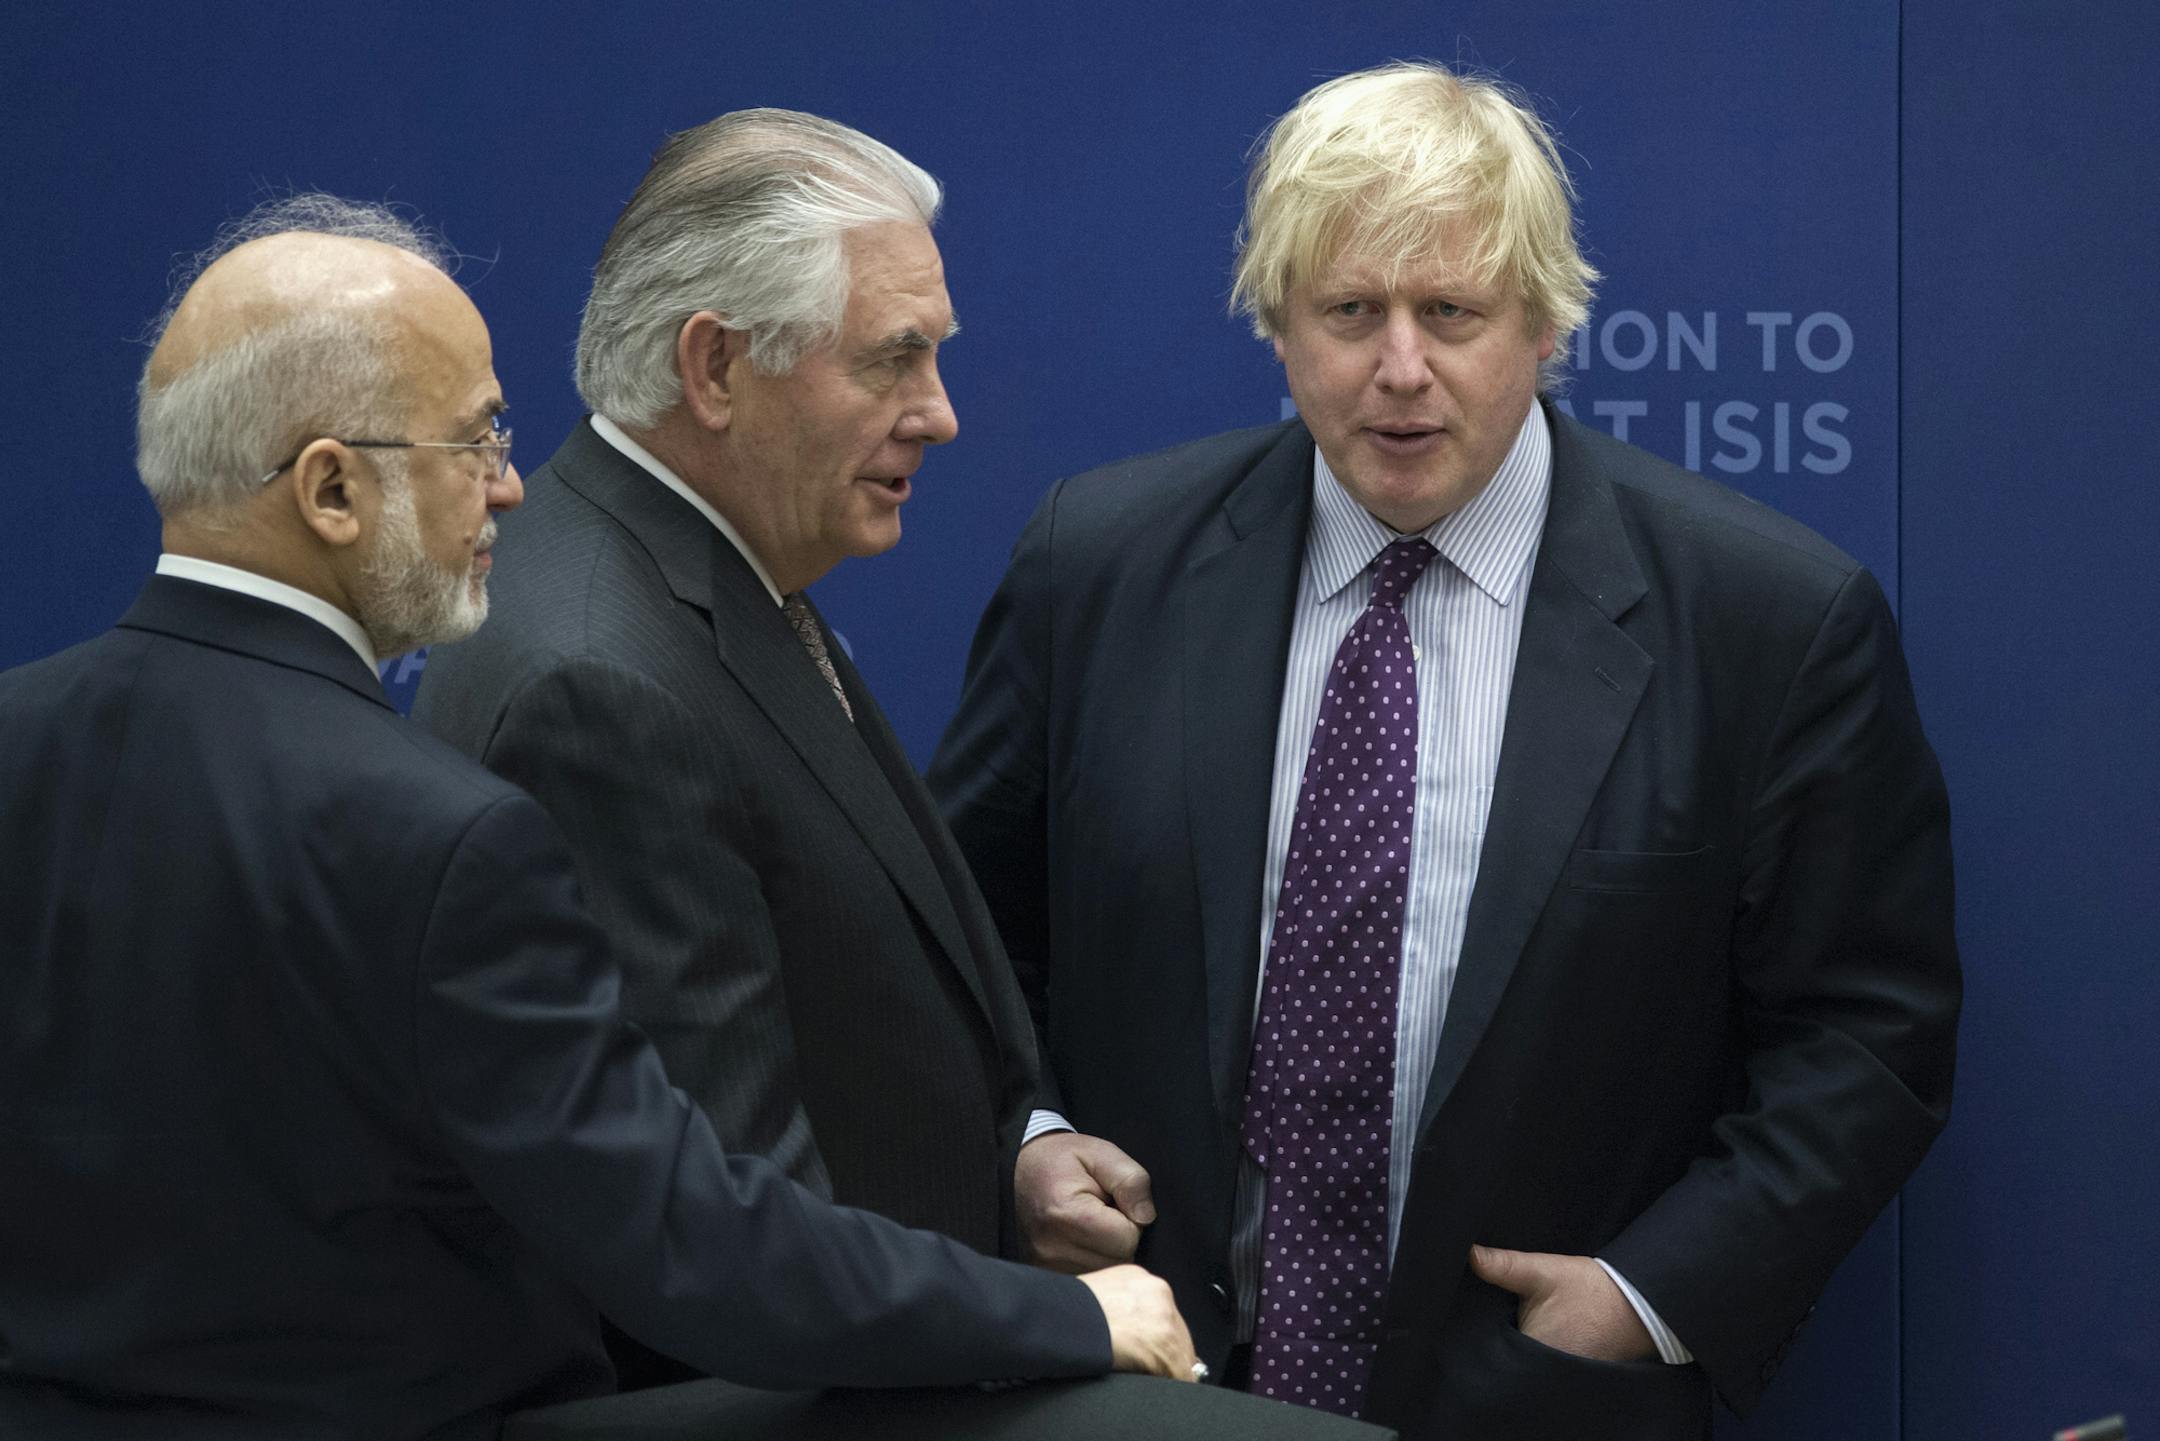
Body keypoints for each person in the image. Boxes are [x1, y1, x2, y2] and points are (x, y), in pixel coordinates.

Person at [0, 195, 1194, 1441]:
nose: (510, 487)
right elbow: (695, 1246)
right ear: (332, 490)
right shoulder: (445, 838)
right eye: (475, 440)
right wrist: (1062, 1315)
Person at [929, 62, 1960, 1441]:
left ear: (1545, 322)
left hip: (1539, 1399)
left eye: (1452, 313)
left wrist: (1649, 1296)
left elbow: (1869, 1036)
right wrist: (1027, 1140)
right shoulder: (1100, 567)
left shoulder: (1768, 622)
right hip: (1143, 1390)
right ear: (1279, 326)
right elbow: (951, 941)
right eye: (1350, 311)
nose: (1401, 369)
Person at [414, 109, 1146, 1341]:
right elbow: (726, 1234)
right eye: (892, 360)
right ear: (715, 368)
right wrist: (1059, 1322)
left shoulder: (698, 568)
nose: (939, 413)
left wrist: (1012, 1153)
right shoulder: (604, 684)